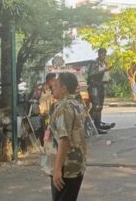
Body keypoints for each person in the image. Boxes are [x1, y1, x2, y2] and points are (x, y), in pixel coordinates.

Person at [43, 72, 88, 201]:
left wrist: (57, 169)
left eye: (56, 85)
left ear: (64, 89)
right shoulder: (76, 104)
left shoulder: (64, 108)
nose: (52, 88)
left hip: (65, 167)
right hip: (74, 164)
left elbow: (64, 139)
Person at [86, 48, 115, 134]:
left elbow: (105, 75)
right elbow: (91, 74)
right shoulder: (94, 63)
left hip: (101, 85)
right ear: (98, 54)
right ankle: (95, 126)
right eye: (102, 54)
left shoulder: (105, 63)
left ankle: (97, 124)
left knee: (100, 107)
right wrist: (103, 70)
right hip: (94, 86)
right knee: (96, 106)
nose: (104, 56)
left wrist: (109, 79)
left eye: (105, 54)